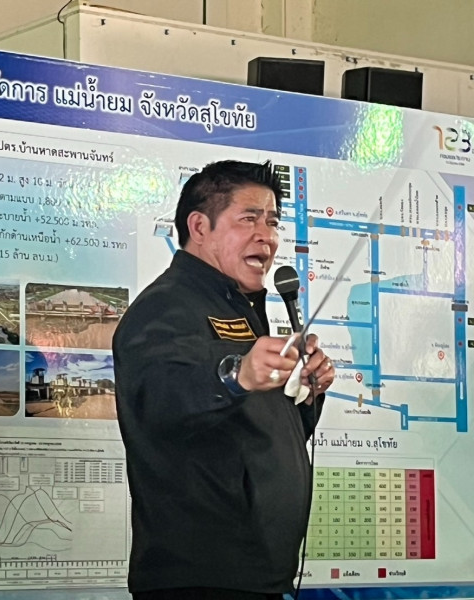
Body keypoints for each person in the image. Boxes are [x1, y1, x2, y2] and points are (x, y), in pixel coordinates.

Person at [113, 159, 335, 600]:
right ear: (199, 226)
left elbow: (260, 431)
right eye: (248, 219)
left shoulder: (241, 309)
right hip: (201, 579)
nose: (267, 236)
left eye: (272, 222)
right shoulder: (166, 306)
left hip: (255, 575)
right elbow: (159, 401)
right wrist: (235, 374)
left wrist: (307, 392)